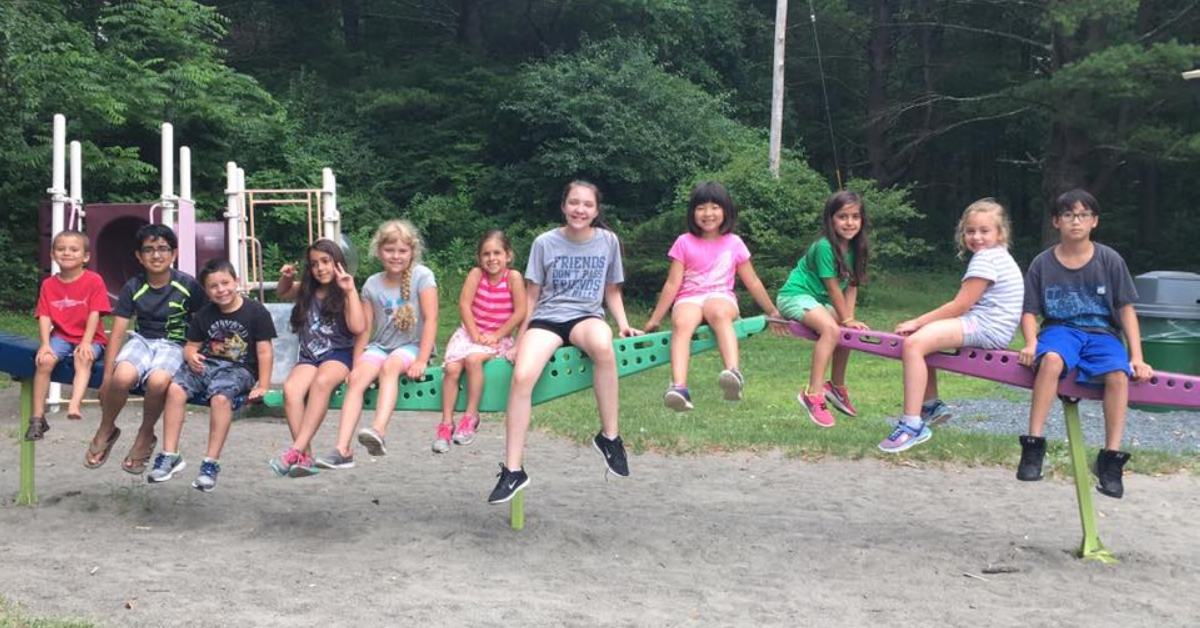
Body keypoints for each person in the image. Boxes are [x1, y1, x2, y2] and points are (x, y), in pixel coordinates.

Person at [487, 180, 642, 505]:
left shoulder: (608, 241)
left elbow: (612, 289)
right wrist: (518, 339)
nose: (580, 210)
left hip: (586, 315)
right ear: (563, 206)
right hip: (548, 317)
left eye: (587, 204)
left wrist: (625, 325)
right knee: (523, 374)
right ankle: (514, 470)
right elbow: (532, 295)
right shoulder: (545, 242)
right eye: (574, 203)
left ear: (596, 210)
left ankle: (610, 437)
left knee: (603, 346)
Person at [1016, 189, 1151, 499]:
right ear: (1056, 221)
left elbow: (1127, 309)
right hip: (1061, 329)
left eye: (1083, 215)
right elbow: (1029, 311)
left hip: (1102, 333)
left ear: (1094, 222)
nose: (1075, 221)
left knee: (1118, 376)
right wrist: (1031, 342)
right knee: (1050, 359)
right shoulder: (1042, 263)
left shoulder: (1109, 260)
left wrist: (1137, 357)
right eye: (1068, 215)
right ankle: (1034, 445)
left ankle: (1110, 459)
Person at [878, 199, 1023, 452]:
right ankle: (931, 405)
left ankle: (912, 424)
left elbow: (959, 306)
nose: (976, 237)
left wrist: (918, 321)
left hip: (986, 326)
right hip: (993, 325)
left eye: (984, 231)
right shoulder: (1000, 256)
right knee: (926, 341)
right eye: (970, 231)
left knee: (914, 344)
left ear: (1000, 233)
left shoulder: (987, 259)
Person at [643, 181, 781, 411]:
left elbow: (753, 281)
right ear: (692, 212)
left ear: (726, 210)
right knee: (682, 322)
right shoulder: (683, 242)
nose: (708, 213)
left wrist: (772, 311)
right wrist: (655, 319)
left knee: (717, 311)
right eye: (701, 208)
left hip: (721, 296)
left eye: (715, 207)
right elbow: (672, 284)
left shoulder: (734, 243)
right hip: (689, 297)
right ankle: (679, 387)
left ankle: (733, 373)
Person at [316, 220, 438, 469]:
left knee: (390, 367)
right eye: (390, 250)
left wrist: (423, 359)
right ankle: (342, 449)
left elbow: (432, 319)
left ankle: (378, 431)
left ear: (412, 252)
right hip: (380, 346)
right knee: (359, 378)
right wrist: (356, 362)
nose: (396, 256)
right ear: (379, 251)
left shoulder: (422, 277)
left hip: (412, 345)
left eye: (402, 251)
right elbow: (365, 328)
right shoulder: (372, 283)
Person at [147, 259, 276, 492]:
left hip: (239, 369)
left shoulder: (255, 311)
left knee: (220, 397)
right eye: (214, 286)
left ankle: (210, 463)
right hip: (206, 365)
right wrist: (190, 356)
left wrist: (263, 385)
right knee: (175, 389)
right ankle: (170, 454)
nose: (221, 290)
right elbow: (190, 346)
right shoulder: (204, 314)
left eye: (225, 283)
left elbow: (265, 351)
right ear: (206, 291)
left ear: (236, 281)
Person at [86, 224, 206, 472]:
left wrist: (194, 352)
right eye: (149, 250)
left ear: (173, 254)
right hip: (142, 341)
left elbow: (202, 323)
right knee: (122, 378)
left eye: (163, 249)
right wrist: (106, 379)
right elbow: (118, 333)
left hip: (174, 344)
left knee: (158, 381)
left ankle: (146, 433)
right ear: (139, 256)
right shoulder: (133, 286)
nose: (156, 255)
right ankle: (107, 427)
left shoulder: (188, 285)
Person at [268, 240, 366, 477]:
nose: (321, 268)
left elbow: (358, 326)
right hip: (310, 356)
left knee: (322, 382)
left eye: (326, 262)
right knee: (291, 389)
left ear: (337, 263)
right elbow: (282, 291)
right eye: (314, 264)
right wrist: (287, 277)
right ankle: (306, 458)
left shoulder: (345, 291)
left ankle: (295, 450)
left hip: (338, 354)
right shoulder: (307, 289)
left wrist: (350, 290)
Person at [776, 191, 871, 428]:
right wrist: (844, 319)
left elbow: (852, 286)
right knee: (831, 330)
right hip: (795, 296)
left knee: (849, 332)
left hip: (818, 301)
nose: (849, 222)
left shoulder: (857, 248)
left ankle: (836, 387)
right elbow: (832, 287)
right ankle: (813, 393)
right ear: (830, 220)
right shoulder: (824, 247)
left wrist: (849, 319)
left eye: (855, 217)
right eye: (842, 217)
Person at [435, 230, 526, 453]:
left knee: (474, 360)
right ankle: (446, 424)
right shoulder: (476, 274)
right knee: (453, 368)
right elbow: (464, 304)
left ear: (508, 256)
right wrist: (474, 334)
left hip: (497, 337)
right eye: (486, 254)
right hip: (471, 333)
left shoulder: (512, 278)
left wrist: (497, 335)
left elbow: (520, 311)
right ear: (479, 257)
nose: (492, 258)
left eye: (497, 253)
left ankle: (470, 417)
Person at [27, 230, 110, 441]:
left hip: (91, 337)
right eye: (61, 249)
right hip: (62, 336)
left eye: (74, 249)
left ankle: (75, 403)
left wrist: (86, 342)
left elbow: (95, 313)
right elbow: (44, 315)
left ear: (86, 257)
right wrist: (45, 344)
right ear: (53, 254)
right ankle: (37, 418)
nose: (67, 253)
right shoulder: (49, 284)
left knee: (84, 357)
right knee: (44, 361)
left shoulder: (94, 280)